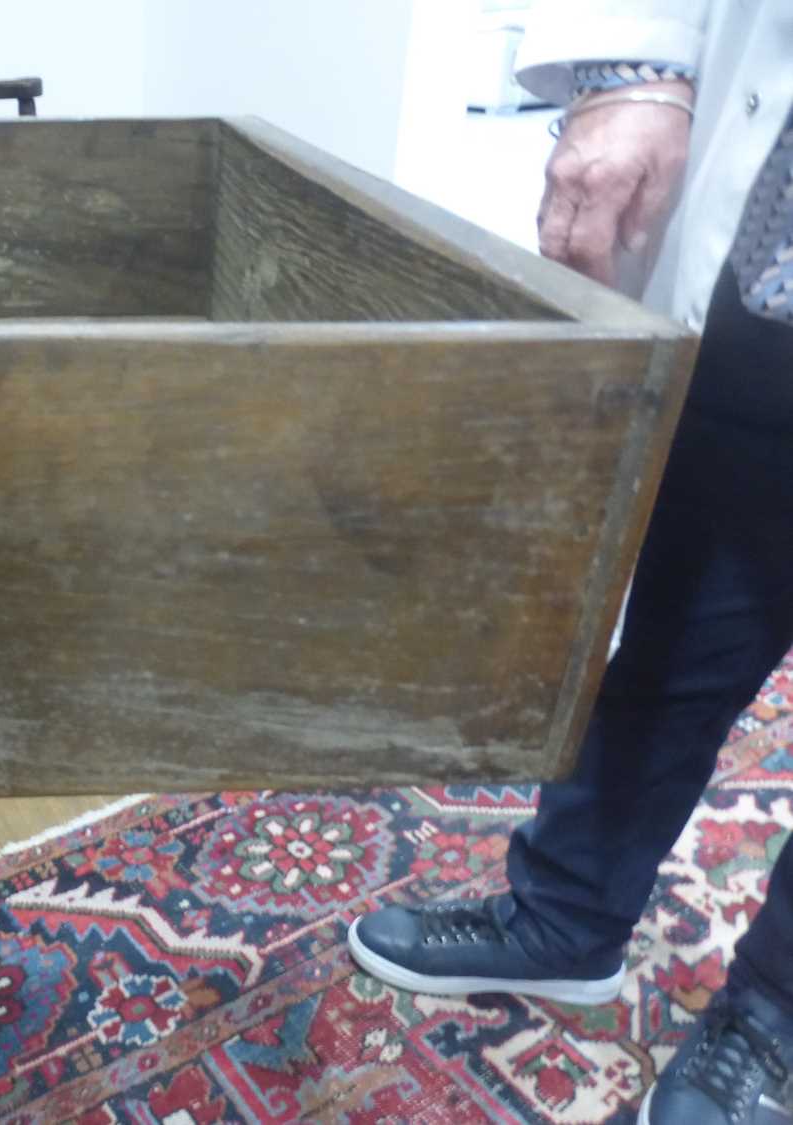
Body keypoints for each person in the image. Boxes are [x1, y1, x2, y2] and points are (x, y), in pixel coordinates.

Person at [346, 2, 793, 1123]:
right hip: (763, 280)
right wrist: (637, 67)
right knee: (678, 635)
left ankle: (777, 1017)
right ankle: (566, 914)